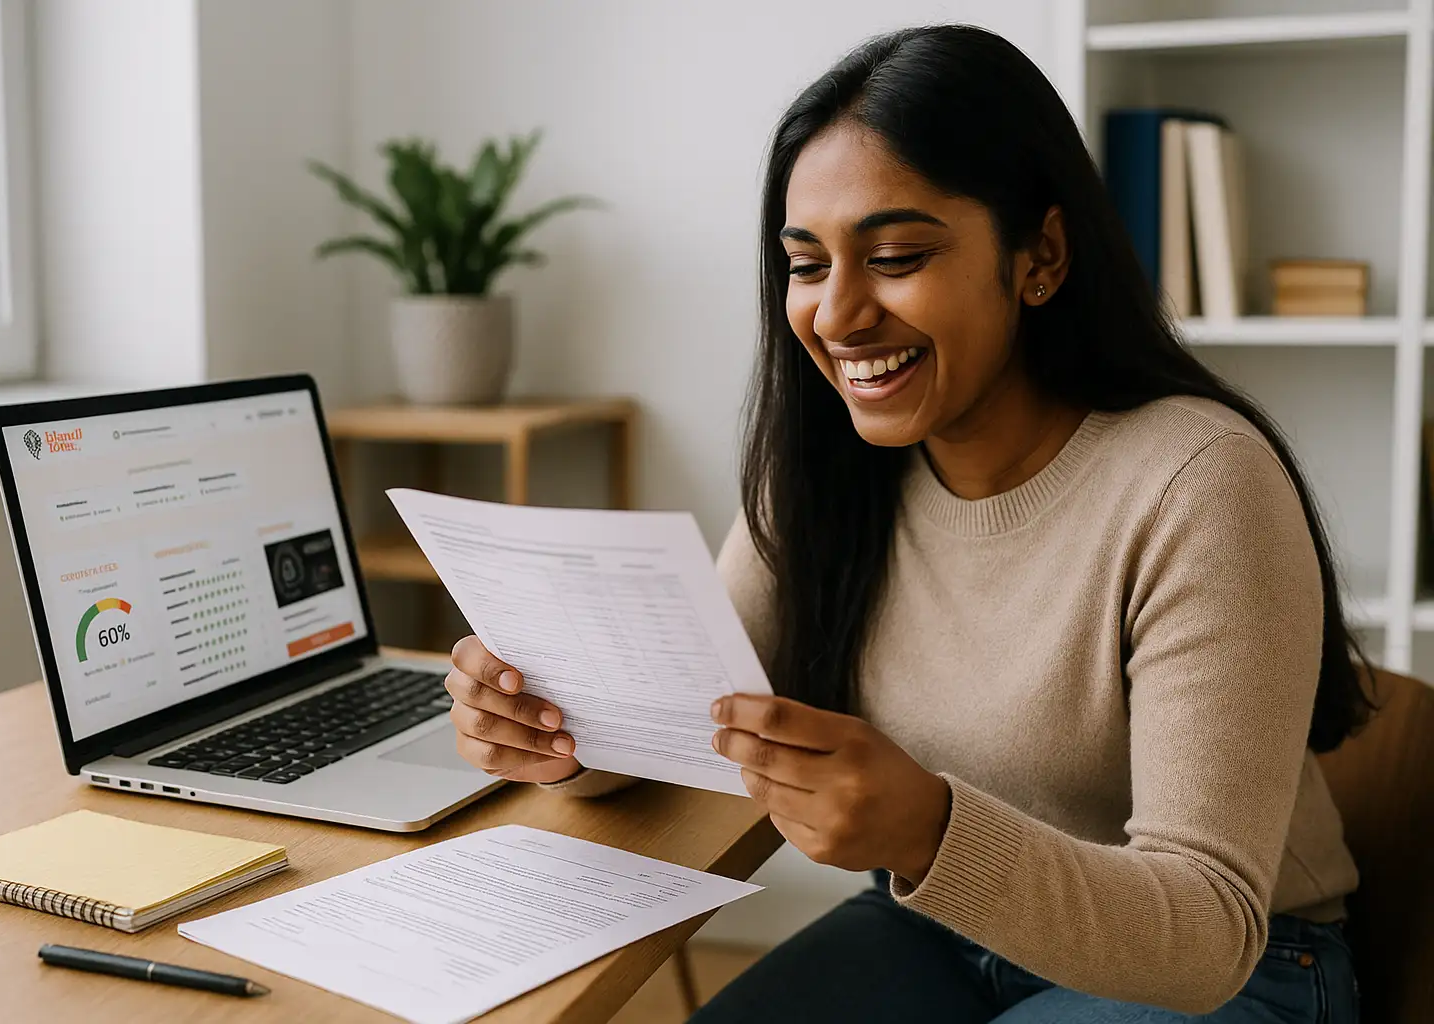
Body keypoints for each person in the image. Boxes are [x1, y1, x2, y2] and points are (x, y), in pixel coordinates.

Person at [439, 24, 1367, 1023]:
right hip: (941, 928)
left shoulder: (1197, 483)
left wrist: (930, 830)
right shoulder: (827, 473)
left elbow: (1204, 936)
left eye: (893, 256)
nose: (837, 315)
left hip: (1233, 967)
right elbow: (690, 730)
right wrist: (560, 740)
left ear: (1040, 255)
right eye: (805, 265)